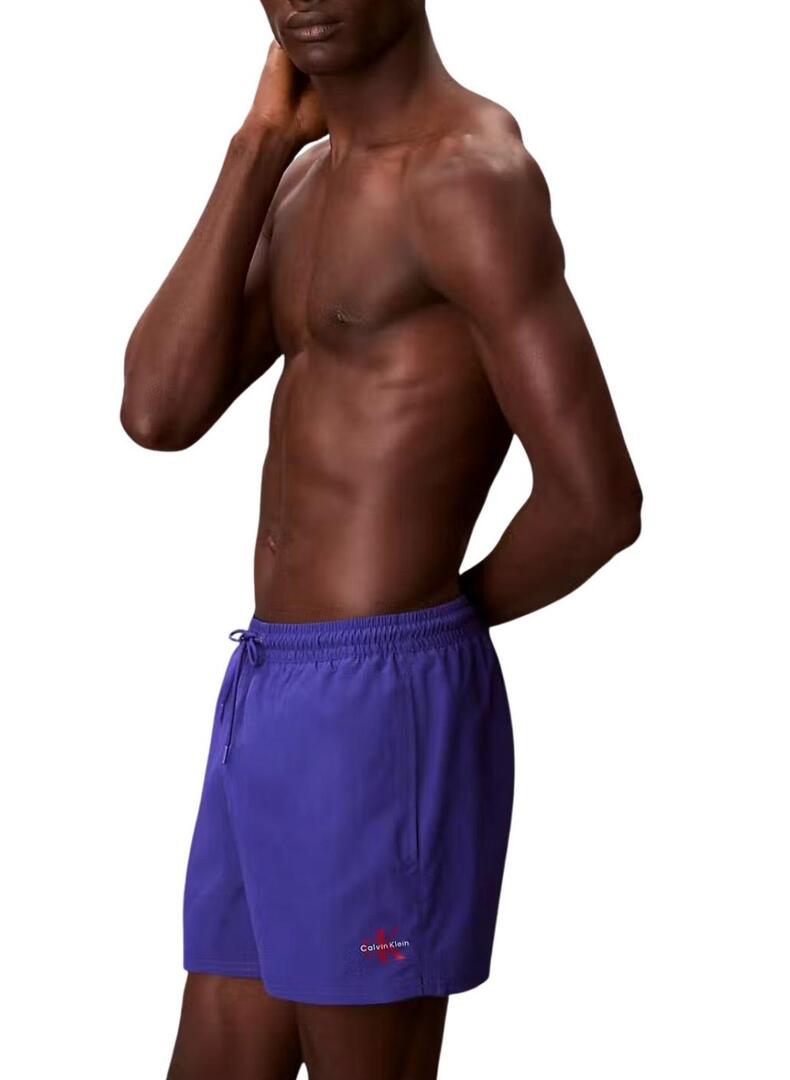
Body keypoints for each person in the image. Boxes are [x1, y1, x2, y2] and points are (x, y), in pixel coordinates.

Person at [121, 1, 642, 1076]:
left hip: (380, 701)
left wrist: (420, 631)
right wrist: (257, 146)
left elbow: (596, 504)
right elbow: (158, 411)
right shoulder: (303, 182)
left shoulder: (467, 179)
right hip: (268, 684)